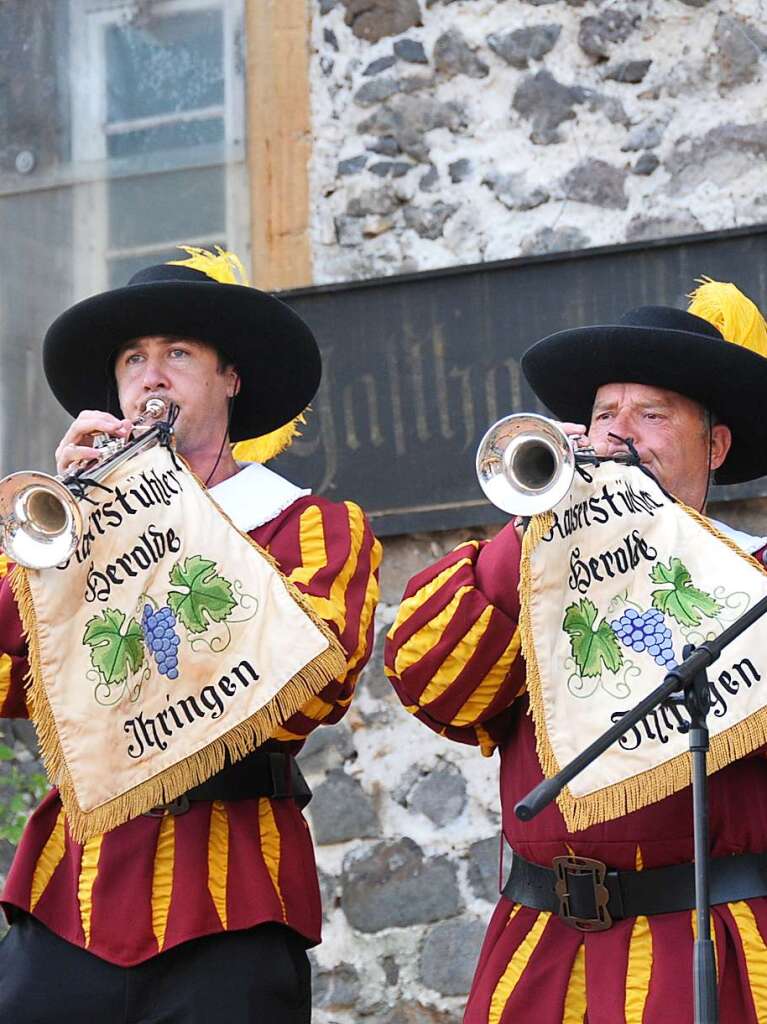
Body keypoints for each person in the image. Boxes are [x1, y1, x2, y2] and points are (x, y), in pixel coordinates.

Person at [0, 248, 381, 1023]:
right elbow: (10, 682)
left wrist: (161, 511)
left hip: (233, 895)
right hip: (68, 894)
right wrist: (62, 533)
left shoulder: (309, 525)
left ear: (229, 378)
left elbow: (312, 685)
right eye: (134, 359)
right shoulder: (72, 523)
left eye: (178, 353)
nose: (151, 374)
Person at [385, 282, 767, 1023]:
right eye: (602, 416)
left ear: (712, 445)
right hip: (540, 952)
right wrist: (535, 529)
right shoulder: (524, 570)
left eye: (650, 415)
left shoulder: (758, 574)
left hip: (714, 944)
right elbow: (434, 686)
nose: (617, 437)